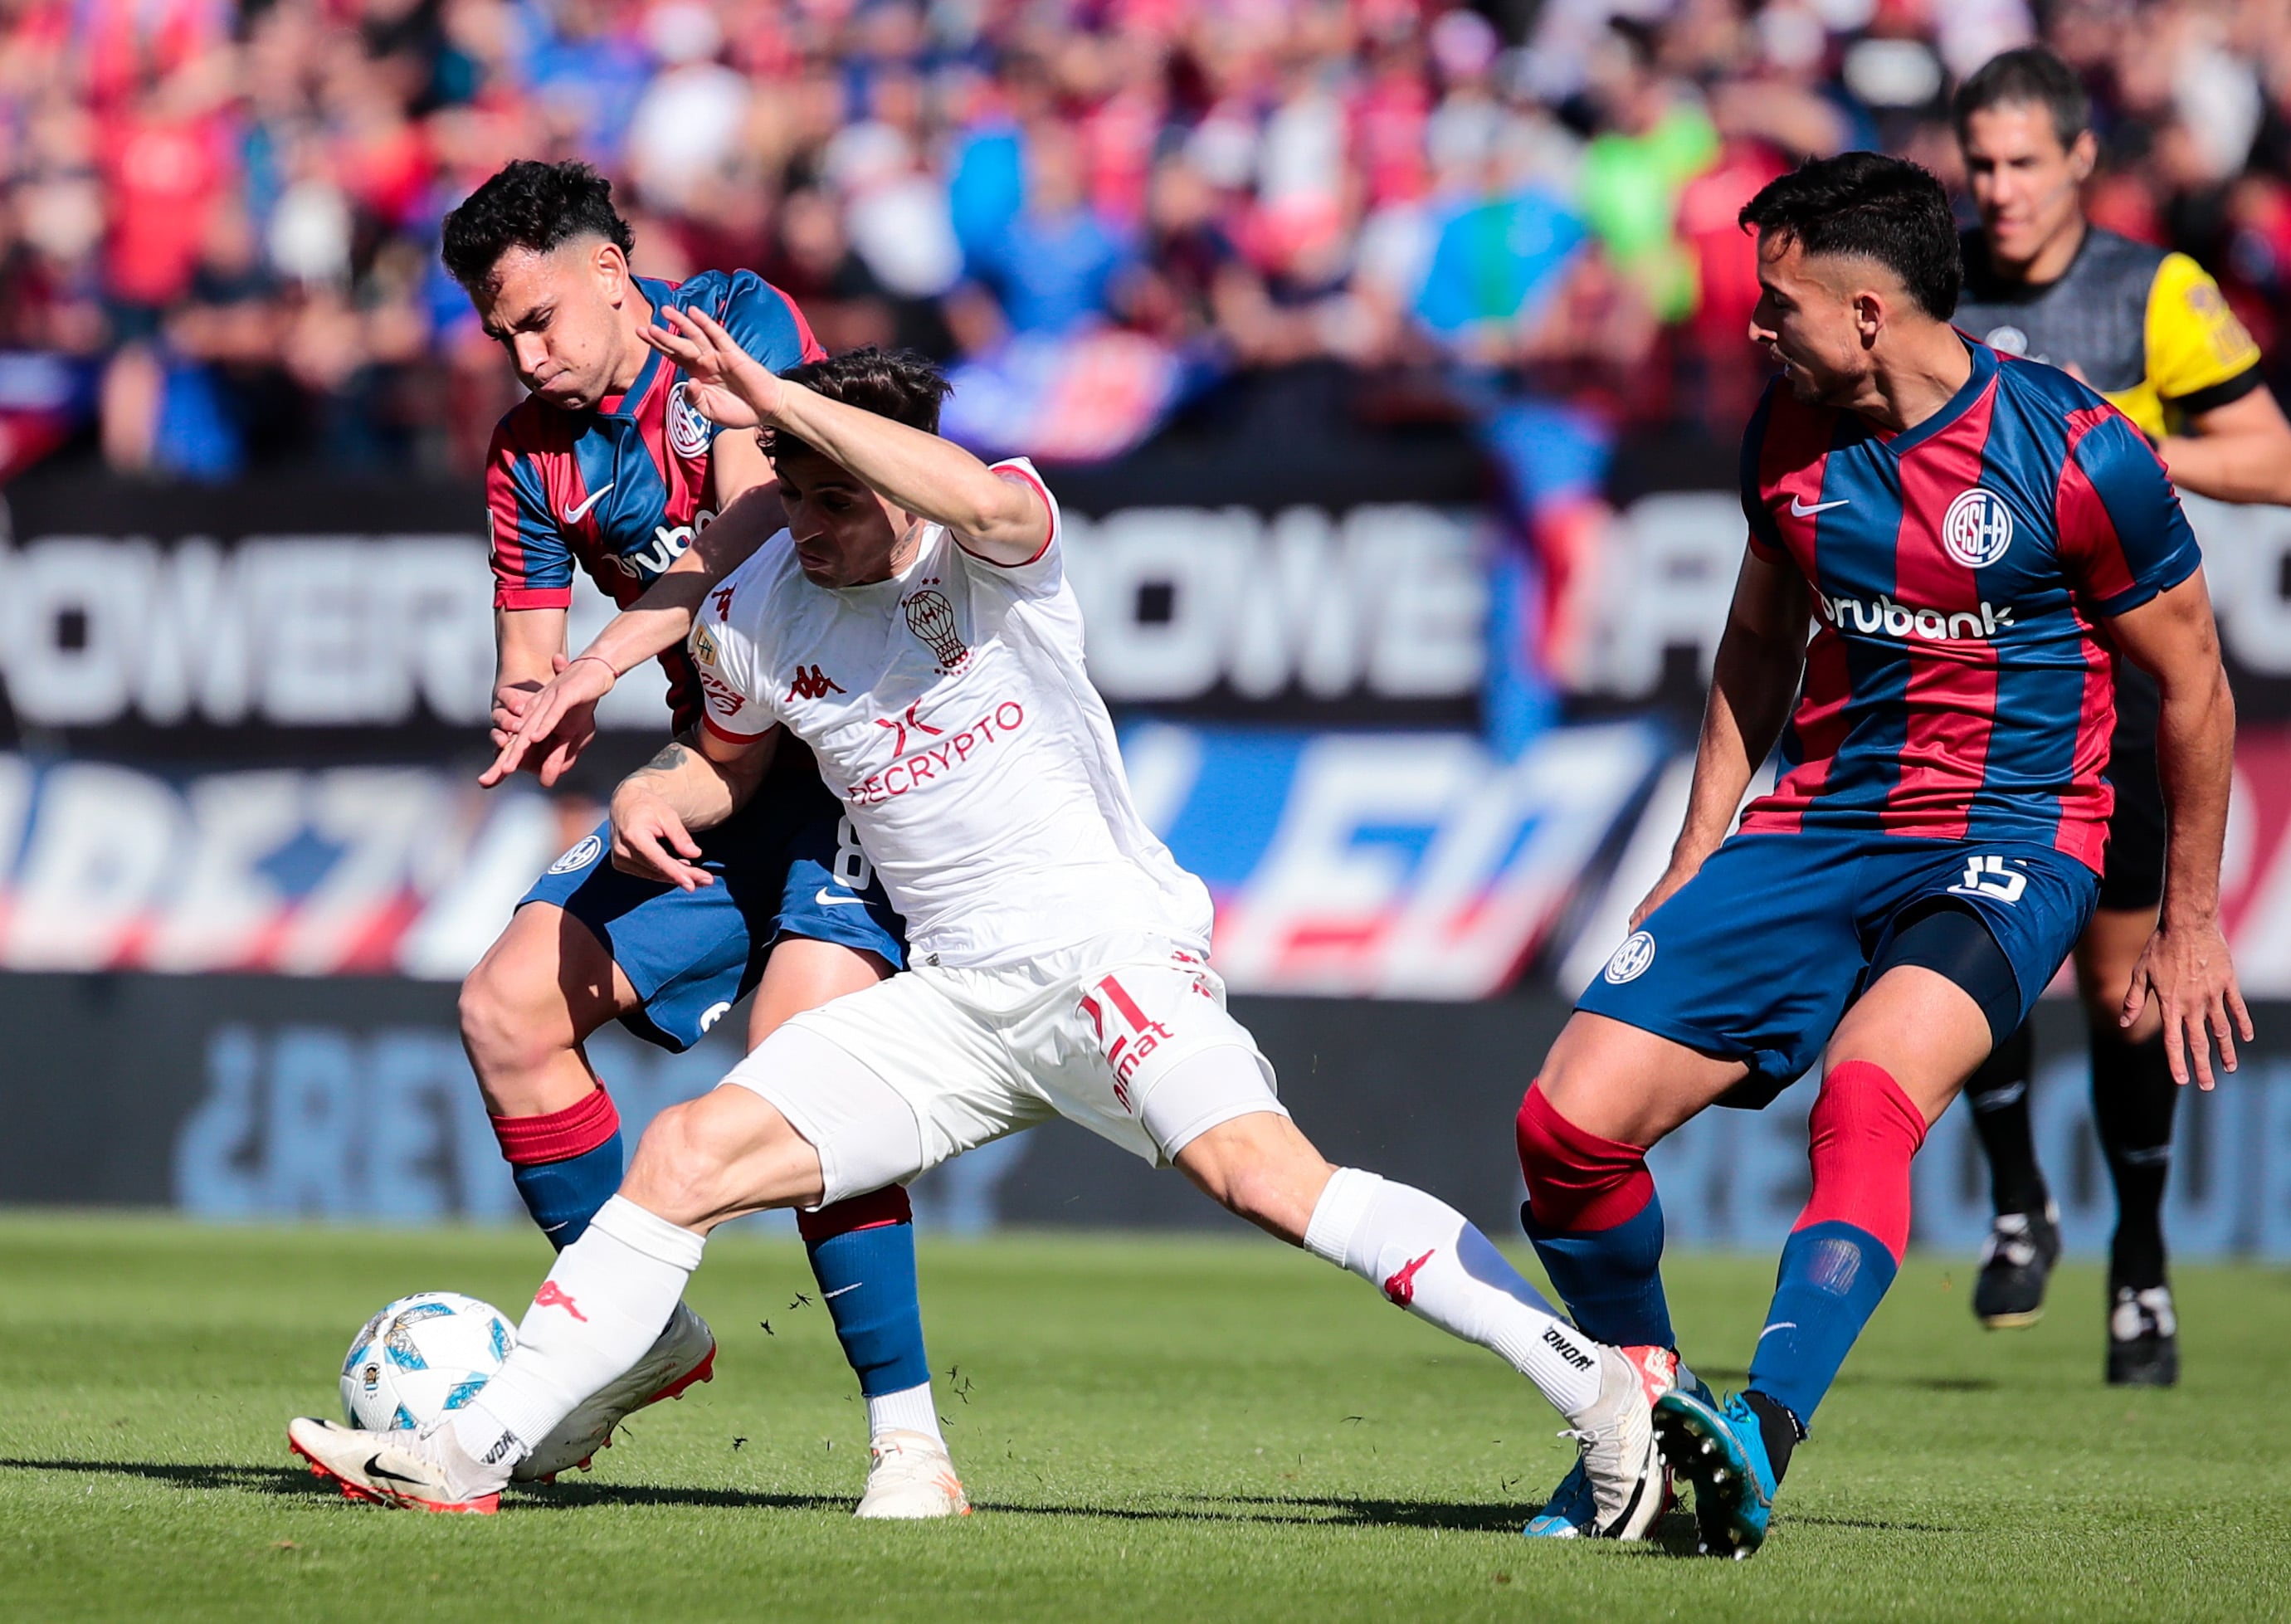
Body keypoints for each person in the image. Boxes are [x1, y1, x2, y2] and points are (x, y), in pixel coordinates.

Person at [285, 338, 1676, 1539]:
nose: (806, 530)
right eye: (793, 500)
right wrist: (662, 786)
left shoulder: (993, 545)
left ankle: (1596, 1384)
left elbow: (968, 493)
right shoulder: (761, 607)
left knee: (1270, 1181)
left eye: (831, 502)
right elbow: (724, 762)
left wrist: (782, 397)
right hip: (951, 997)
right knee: (684, 1153)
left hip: (1106, 960)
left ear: (891, 479)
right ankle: (470, 1456)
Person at [1509, 152, 2246, 1558]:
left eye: (1775, 299)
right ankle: (1647, 1433)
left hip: (2012, 835)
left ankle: (1760, 1434)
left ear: (1864, 310)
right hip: (1813, 829)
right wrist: (1691, 849)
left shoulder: (2074, 451)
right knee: (1566, 1124)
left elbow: (2194, 680)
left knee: (1867, 1089)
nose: (1749, 325)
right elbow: (1755, 645)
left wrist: (2189, 917)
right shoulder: (1783, 433)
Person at [440, 159, 963, 1518]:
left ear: (611, 271)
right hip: (718, 773)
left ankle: (910, 1444)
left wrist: (603, 661)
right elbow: (528, 653)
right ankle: (632, 1327)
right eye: (502, 333)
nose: (526, 351)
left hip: (857, 756)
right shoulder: (528, 455)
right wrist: (532, 710)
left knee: (803, 1073)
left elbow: (750, 536)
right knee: (504, 1007)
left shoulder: (730, 319)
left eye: (541, 316)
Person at [1948, 46, 2291, 1382]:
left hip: (2118, 684)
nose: (2000, 188)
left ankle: (2137, 1262)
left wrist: (2133, 443)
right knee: (1966, 950)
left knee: (2115, 987)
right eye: (1980, 164)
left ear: (2082, 159)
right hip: (1974, 682)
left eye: (2023, 162)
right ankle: (2016, 1196)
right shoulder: (1938, 288)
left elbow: (2273, 454)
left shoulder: (2153, 293)